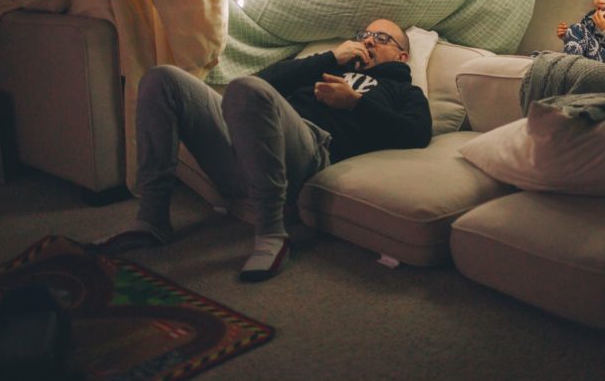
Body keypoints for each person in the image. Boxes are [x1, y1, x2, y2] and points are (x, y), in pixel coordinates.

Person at [95, 18, 432, 282]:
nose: (369, 40)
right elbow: (259, 81)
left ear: (402, 55)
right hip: (242, 146)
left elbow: (416, 133)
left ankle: (272, 232)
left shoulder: (403, 91)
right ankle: (152, 219)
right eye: (365, 34)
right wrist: (331, 57)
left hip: (307, 150)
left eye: (382, 38)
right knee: (162, 78)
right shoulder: (329, 64)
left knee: (248, 90)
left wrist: (354, 103)